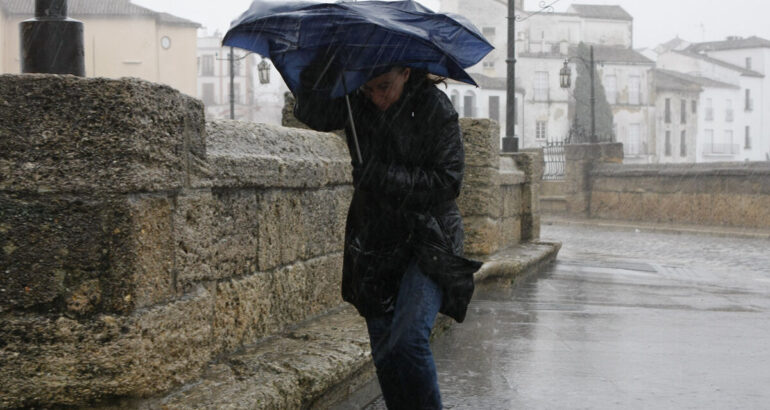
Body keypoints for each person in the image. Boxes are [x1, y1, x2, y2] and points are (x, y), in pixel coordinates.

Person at [294, 58, 481, 410]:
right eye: (369, 88)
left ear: (405, 73)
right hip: (376, 237)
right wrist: (317, 69)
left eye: (384, 87)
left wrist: (383, 176)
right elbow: (316, 115)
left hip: (428, 238)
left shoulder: (434, 107)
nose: (377, 97)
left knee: (408, 340)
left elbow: (448, 181)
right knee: (384, 349)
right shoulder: (355, 101)